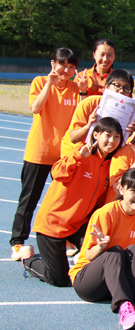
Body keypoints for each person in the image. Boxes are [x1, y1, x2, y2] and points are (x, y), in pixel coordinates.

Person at [23, 118, 123, 286]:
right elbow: (56, 173)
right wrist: (78, 156)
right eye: (108, 135)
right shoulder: (81, 152)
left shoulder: (108, 165)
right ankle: (29, 261)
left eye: (117, 137)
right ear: (96, 135)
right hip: (54, 224)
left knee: (101, 250)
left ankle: (77, 258)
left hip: (78, 224)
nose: (112, 141)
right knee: (59, 279)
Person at [10, 48, 82, 260]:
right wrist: (50, 83)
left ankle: (65, 239)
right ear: (53, 64)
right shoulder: (40, 82)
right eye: (63, 65)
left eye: (71, 67)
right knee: (29, 199)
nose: (66, 70)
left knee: (64, 200)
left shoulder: (76, 88)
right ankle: (18, 242)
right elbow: (35, 108)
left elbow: (81, 116)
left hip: (64, 155)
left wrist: (84, 92)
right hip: (39, 152)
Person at [70, 168, 135, 330]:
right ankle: (124, 308)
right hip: (89, 283)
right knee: (115, 251)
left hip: (119, 281)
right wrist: (101, 246)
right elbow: (88, 255)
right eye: (134, 191)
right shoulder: (106, 213)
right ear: (121, 189)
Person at [60, 69, 135, 158]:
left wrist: (131, 133)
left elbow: (122, 144)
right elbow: (73, 138)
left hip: (102, 158)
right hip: (77, 155)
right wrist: (88, 125)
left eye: (126, 88)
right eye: (117, 85)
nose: (121, 91)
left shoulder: (128, 112)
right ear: (106, 87)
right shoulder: (89, 103)